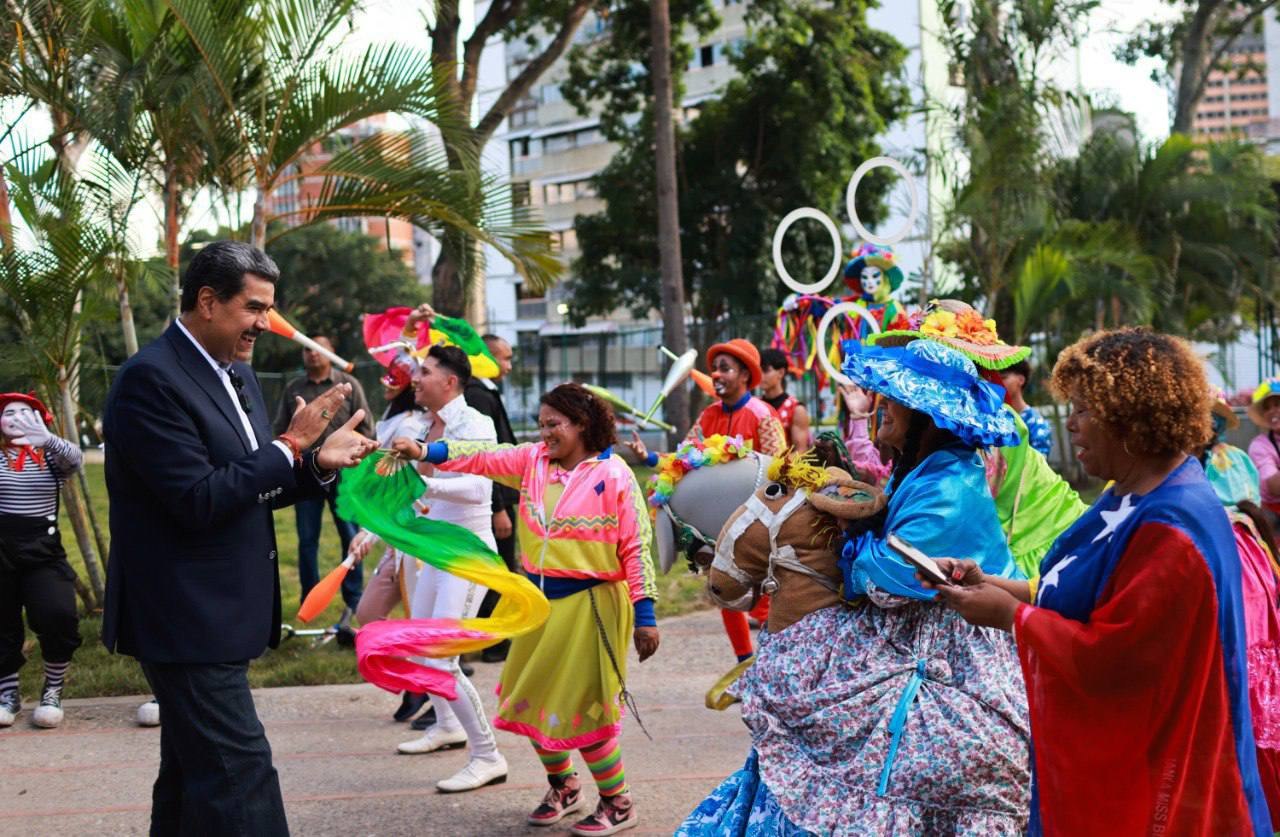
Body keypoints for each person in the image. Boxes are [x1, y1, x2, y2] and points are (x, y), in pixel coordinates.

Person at [930, 328, 1273, 835]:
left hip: (1164, 788)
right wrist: (996, 586)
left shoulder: (1174, 526)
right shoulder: (1133, 491)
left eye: (1083, 410)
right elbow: (1083, 593)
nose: (1070, 423)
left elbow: (1117, 660)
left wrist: (1010, 618)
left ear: (1129, 416)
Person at [680, 339, 1030, 834]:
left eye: (894, 399)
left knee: (831, 697)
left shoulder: (952, 480)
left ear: (926, 416)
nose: (881, 404)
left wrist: (851, 536)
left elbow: (890, 579)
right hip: (912, 625)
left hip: (952, 645)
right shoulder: (924, 466)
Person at [101, 241, 378, 835]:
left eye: (268, 309)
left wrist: (316, 463)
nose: (265, 323)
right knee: (241, 779)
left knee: (191, 778)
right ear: (207, 301)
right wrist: (290, 445)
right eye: (254, 308)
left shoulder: (240, 375)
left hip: (221, 616)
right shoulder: (150, 380)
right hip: (184, 620)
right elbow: (198, 500)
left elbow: (251, 485)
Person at [406, 382, 659, 835]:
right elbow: (483, 456)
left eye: (554, 424)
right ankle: (565, 787)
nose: (545, 434)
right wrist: (426, 450)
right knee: (532, 700)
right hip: (538, 604)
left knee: (585, 706)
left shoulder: (615, 475)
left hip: (591, 606)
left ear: (581, 424)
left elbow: (637, 548)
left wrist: (646, 616)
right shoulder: (533, 462)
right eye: (541, 425)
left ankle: (617, 802)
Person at [367, 344, 508, 793]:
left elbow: (478, 490)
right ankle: (447, 725)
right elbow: (405, 494)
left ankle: (488, 756)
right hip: (432, 550)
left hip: (467, 553)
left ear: (449, 381)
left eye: (425, 371)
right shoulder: (419, 425)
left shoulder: (476, 424)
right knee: (418, 648)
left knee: (441, 657)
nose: (415, 377)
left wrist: (424, 481)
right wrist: (373, 532)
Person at [627, 339, 784, 663]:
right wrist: (650, 457)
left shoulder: (762, 415)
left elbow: (779, 469)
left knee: (766, 594)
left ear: (745, 375)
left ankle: (773, 661)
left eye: (725, 368)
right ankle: (744, 663)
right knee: (722, 588)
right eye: (714, 369)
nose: (716, 375)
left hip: (757, 526)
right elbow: (682, 460)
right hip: (718, 526)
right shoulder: (708, 415)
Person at [350, 356, 431, 724]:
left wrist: (371, 529)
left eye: (394, 380)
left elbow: (401, 488)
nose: (386, 386)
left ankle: (438, 702)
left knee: (422, 622)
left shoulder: (412, 425)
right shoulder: (393, 419)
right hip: (395, 536)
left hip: (417, 539)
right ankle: (416, 683)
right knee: (368, 614)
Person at [273, 334, 374, 622]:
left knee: (350, 537)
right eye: (307, 349)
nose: (312, 353)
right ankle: (310, 596)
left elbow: (366, 426)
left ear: (331, 352)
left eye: (318, 348)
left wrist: (359, 455)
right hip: (306, 475)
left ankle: (353, 599)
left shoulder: (348, 384)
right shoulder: (295, 389)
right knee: (307, 539)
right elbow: (281, 428)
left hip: (345, 476)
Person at [0, 393, 83, 728]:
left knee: (57, 614)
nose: (17, 417)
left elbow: (76, 460)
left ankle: (53, 690)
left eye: (26, 412)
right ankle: (7, 694)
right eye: (9, 412)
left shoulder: (50, 458)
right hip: (1, 550)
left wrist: (48, 440)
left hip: (42, 550)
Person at [465, 333, 520, 664]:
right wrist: (499, 508)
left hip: (498, 499)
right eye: (504, 358)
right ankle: (494, 642)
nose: (508, 366)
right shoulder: (478, 396)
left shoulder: (486, 392)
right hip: (491, 503)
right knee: (497, 570)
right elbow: (487, 457)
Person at [758, 348, 811, 450]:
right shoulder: (755, 406)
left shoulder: (796, 409)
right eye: (758, 370)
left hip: (785, 460)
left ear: (781, 373)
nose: (760, 375)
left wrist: (776, 461)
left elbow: (801, 450)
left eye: (765, 370)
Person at [999, 359, 1052, 456]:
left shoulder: (1036, 423)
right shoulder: (994, 419)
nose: (998, 383)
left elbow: (1039, 462)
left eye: (1003, 378)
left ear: (1021, 380)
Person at [1246, 377, 1280, 525]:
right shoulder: (1259, 446)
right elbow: (1275, 487)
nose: (1272, 411)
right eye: (1267, 408)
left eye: (1277, 404)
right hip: (1273, 515)